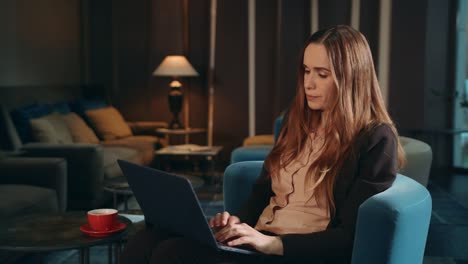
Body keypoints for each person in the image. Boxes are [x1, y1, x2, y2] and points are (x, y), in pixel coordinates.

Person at [120, 25, 406, 264]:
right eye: (306, 71)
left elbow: (350, 236)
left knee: (172, 254)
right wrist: (235, 222)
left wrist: (270, 244)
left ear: (352, 78)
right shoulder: (297, 123)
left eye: (322, 74)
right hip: (259, 240)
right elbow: (260, 197)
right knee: (147, 238)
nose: (309, 83)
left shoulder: (375, 139)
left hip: (294, 253)